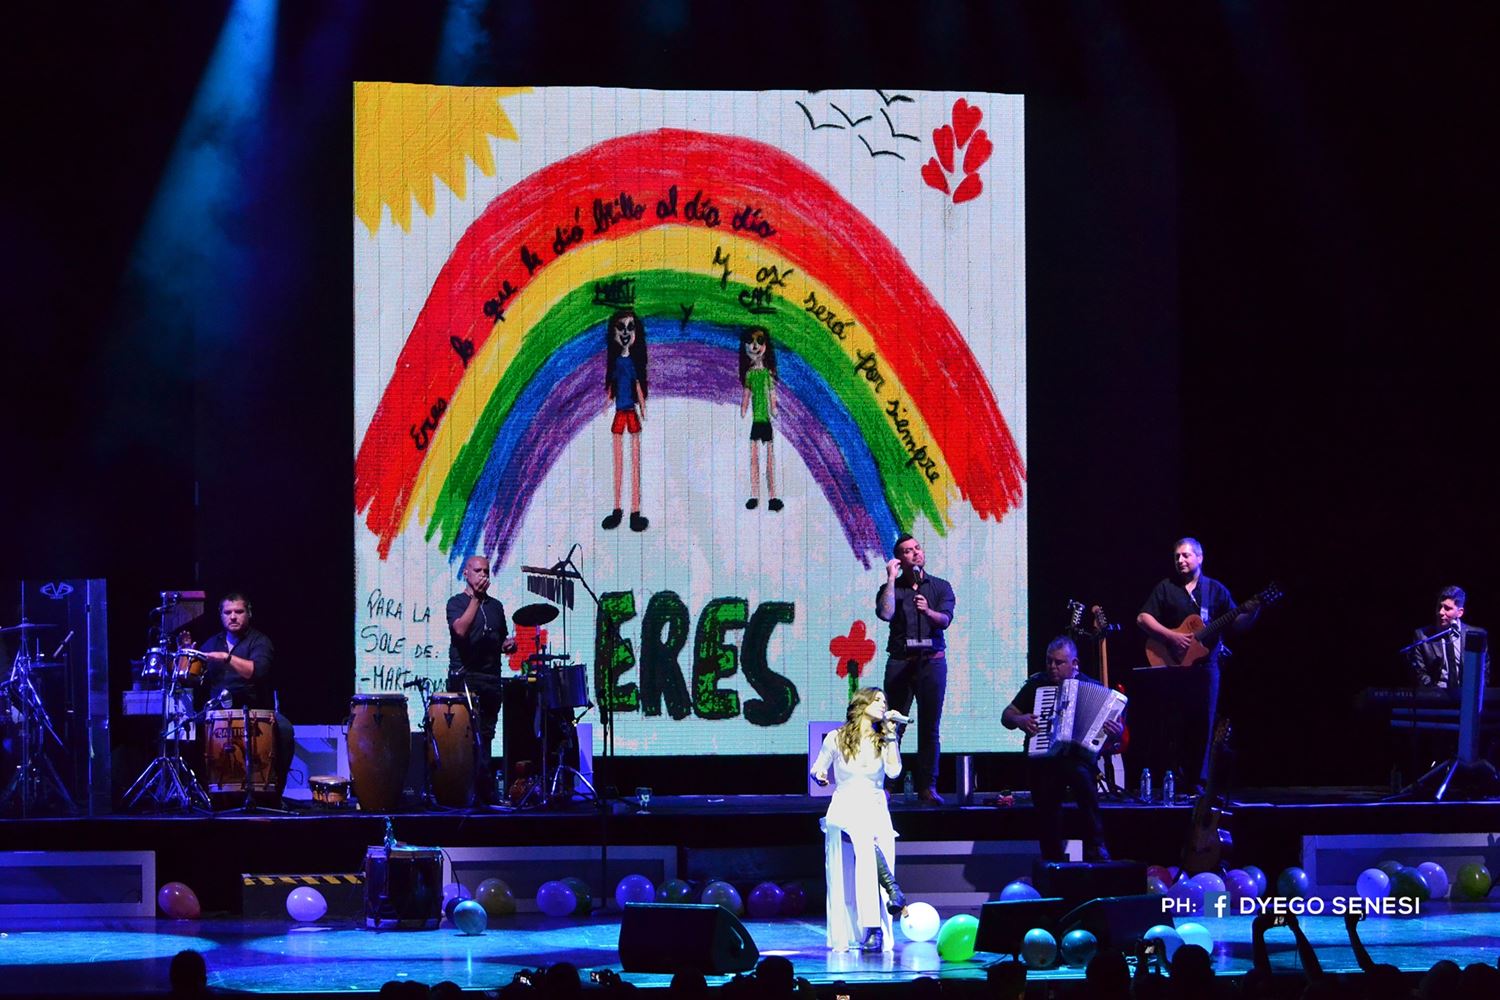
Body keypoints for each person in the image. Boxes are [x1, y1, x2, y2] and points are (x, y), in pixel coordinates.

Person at [1135, 537, 1259, 789]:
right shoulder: (1166, 588)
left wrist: (1254, 610)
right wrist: (1171, 637)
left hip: (1207, 667)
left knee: (1204, 723)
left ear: (1199, 558)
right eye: (1177, 557)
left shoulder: (1215, 590)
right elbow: (1142, 618)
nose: (1180, 560)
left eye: (1185, 555)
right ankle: (1174, 779)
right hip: (1175, 667)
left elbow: (1237, 624)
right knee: (1173, 723)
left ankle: (1198, 783)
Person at [1002, 636, 1122, 861]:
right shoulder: (1037, 685)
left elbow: (1111, 739)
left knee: (1081, 775)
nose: (1052, 667)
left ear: (1074, 663)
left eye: (1058, 662)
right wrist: (1020, 720)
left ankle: (1095, 847)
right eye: (1049, 661)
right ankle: (1052, 858)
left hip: (1078, 759)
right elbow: (1007, 715)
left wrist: (1115, 731)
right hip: (1044, 759)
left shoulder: (1092, 686)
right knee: (1047, 796)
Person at [811, 687, 907, 953]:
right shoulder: (836, 737)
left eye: (885, 701)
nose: (883, 704)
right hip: (845, 804)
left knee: (869, 843)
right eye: (877, 700)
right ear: (862, 704)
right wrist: (819, 776)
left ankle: (881, 917)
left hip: (874, 805)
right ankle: (875, 920)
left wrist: (891, 735)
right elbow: (817, 767)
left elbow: (894, 771)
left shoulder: (882, 739)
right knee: (864, 840)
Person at [875, 534, 956, 805]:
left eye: (917, 548)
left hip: (932, 662)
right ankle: (886, 786)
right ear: (900, 559)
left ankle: (927, 787)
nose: (916, 553)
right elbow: (885, 613)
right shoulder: (892, 588)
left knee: (930, 728)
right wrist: (890, 579)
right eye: (908, 551)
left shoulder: (940, 586)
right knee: (892, 727)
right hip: (901, 662)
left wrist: (928, 612)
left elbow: (945, 620)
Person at [193, 592, 294, 795]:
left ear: (248, 613)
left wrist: (226, 658)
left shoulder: (260, 641)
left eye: (238, 612)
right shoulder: (211, 643)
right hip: (218, 712)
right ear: (221, 615)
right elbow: (191, 679)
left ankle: (275, 794)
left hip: (256, 710)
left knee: (285, 730)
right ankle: (203, 792)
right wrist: (186, 656)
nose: (233, 617)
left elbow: (255, 672)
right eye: (227, 612)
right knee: (189, 730)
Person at [447, 556, 516, 805]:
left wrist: (507, 645)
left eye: (486, 571)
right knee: (467, 737)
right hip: (465, 678)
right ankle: (468, 793)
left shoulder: (496, 606)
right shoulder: (456, 603)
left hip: (491, 679)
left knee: (486, 736)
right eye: (478, 571)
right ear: (466, 573)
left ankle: (484, 795)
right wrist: (475, 598)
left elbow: (499, 639)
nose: (483, 575)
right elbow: (460, 630)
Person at [602, 309, 649, 532]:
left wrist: (643, 406)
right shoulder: (615, 363)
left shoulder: (633, 363)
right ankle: (617, 509)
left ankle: (635, 511)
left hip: (631, 412)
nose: (625, 333)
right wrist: (606, 404)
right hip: (620, 414)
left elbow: (638, 386)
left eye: (631, 328)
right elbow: (611, 388)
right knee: (618, 463)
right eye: (621, 327)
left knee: (634, 462)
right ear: (613, 332)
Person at [738, 326, 783, 512]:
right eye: (750, 342)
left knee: (769, 459)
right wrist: (743, 407)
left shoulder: (767, 374)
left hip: (766, 422)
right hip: (756, 422)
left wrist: (773, 407)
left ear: (766, 346)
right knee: (754, 459)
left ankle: (772, 497)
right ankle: (755, 495)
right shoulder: (750, 375)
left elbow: (771, 393)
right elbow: (746, 394)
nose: (754, 346)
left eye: (759, 342)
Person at [1409, 585, 1489, 688]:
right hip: (1435, 694)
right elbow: (1420, 674)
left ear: (1460, 612)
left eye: (1447, 608)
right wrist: (1434, 694)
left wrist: (1470, 694)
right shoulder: (1422, 636)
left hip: (1467, 694)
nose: (1441, 612)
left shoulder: (1476, 636)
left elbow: (1483, 672)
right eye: (1439, 607)